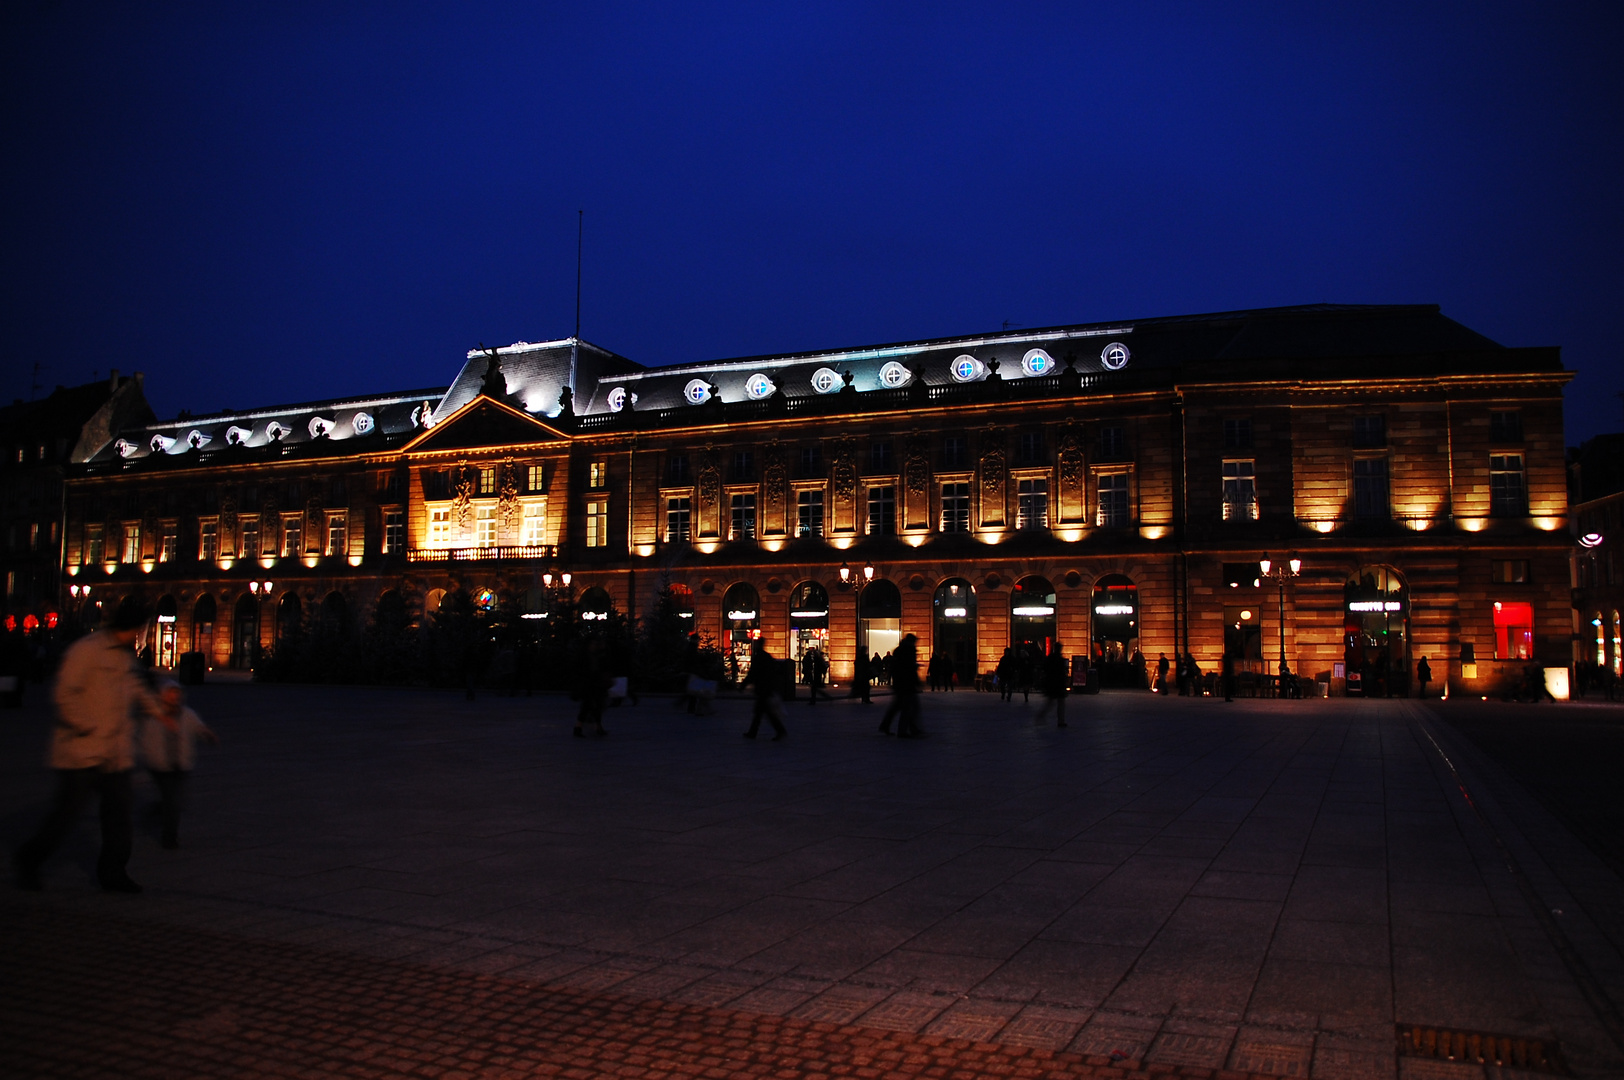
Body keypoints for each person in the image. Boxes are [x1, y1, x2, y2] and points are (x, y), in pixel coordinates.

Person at [15, 598, 160, 893]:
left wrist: (158, 711)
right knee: (65, 816)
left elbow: (134, 687)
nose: (138, 635)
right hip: (81, 753)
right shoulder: (86, 650)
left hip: (115, 755)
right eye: (138, 629)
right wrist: (85, 726)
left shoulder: (124, 656)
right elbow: (64, 695)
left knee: (119, 816)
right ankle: (29, 859)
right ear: (128, 626)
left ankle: (113, 873)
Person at [142, 679, 218, 849]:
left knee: (175, 800)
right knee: (172, 801)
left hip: (181, 765)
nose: (174, 698)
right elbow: (147, 740)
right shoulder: (155, 716)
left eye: (177, 695)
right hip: (161, 766)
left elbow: (198, 727)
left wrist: (208, 735)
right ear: (163, 696)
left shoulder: (187, 714)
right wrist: (151, 758)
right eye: (170, 695)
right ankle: (169, 838)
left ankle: (158, 811)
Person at [742, 640, 787, 739]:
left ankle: (779, 730)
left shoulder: (759, 657)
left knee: (762, 712)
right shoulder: (766, 656)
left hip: (763, 688)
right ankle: (754, 732)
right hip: (766, 688)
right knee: (761, 712)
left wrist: (743, 685)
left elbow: (752, 673)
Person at [880, 634, 922, 737]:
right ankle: (905, 730)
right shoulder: (908, 650)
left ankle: (886, 725)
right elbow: (909, 668)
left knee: (898, 706)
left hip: (900, 682)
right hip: (906, 683)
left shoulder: (900, 650)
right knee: (909, 707)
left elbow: (899, 667)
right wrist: (916, 681)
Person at [1033, 643, 1070, 727]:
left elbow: (1045, 669)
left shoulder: (1051, 658)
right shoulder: (1059, 659)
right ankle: (1060, 721)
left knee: (1051, 703)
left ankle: (1042, 716)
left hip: (1052, 683)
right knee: (1058, 703)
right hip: (1057, 683)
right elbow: (1061, 672)